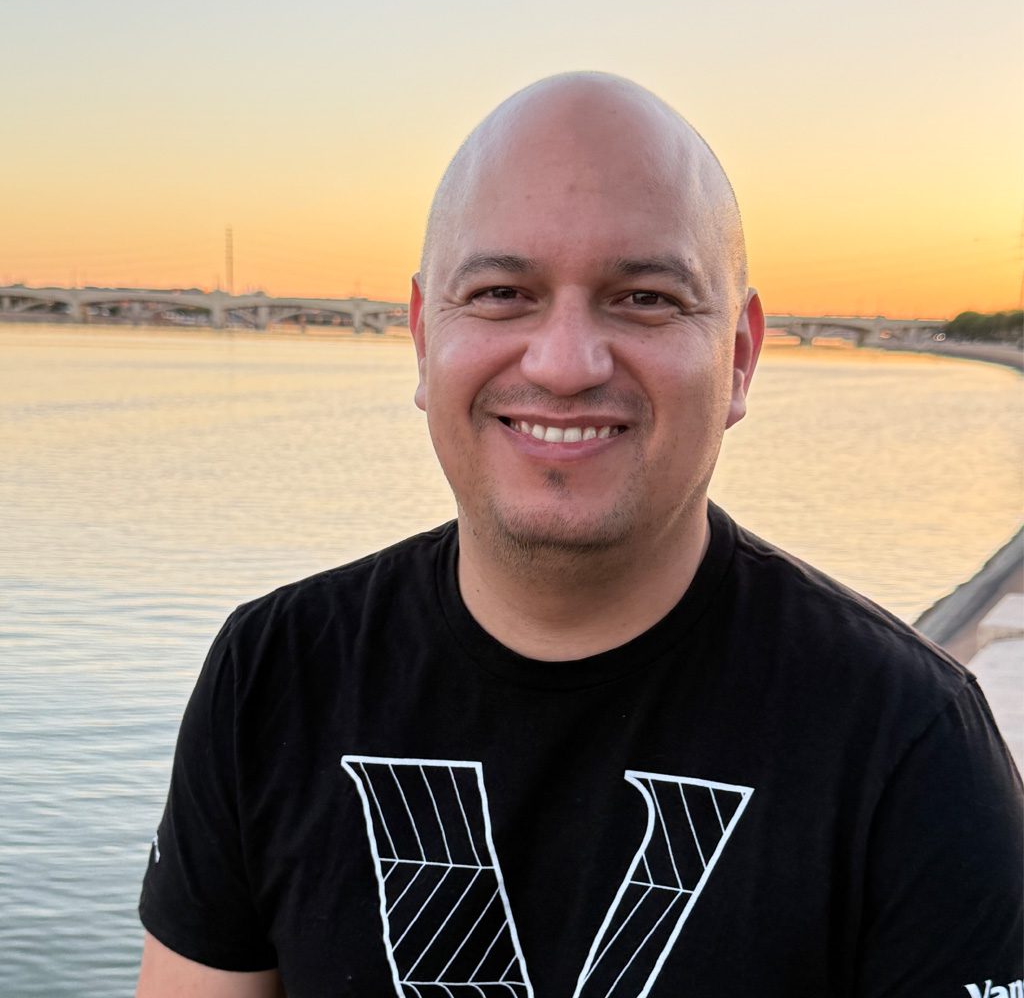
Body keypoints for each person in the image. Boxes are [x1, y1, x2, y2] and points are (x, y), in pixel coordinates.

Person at [136, 73, 1023, 998]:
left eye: (644, 298)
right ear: (421, 340)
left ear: (740, 359)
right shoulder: (274, 674)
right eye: (500, 292)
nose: (564, 364)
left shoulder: (908, 741)